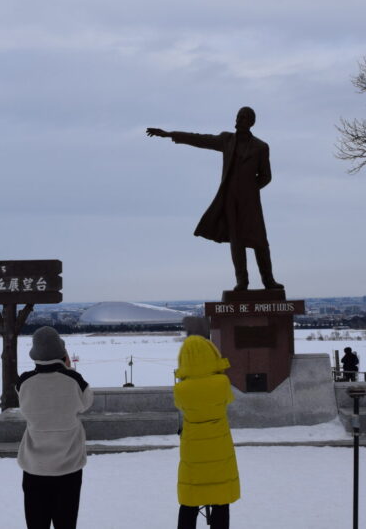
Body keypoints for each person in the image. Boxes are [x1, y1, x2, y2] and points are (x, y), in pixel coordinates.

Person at [146, 107, 283, 291]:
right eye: (238, 116)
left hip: (250, 202)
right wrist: (169, 134)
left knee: (260, 241)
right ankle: (242, 282)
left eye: (243, 117)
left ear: (251, 122)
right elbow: (200, 139)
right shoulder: (227, 140)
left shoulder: (261, 147)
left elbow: (266, 176)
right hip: (229, 201)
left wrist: (249, 189)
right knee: (236, 242)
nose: (239, 120)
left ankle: (269, 281)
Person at [17, 327, 94, 529]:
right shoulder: (75, 381)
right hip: (69, 467)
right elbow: (86, 403)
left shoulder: (24, 382)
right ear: (62, 352)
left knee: (36, 523)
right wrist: (67, 368)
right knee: (66, 523)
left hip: (34, 467)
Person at [174, 335, 239, 529]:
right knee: (221, 497)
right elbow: (227, 401)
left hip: (193, 448)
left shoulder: (181, 389)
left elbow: (181, 406)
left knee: (190, 498)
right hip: (219, 446)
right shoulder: (222, 383)